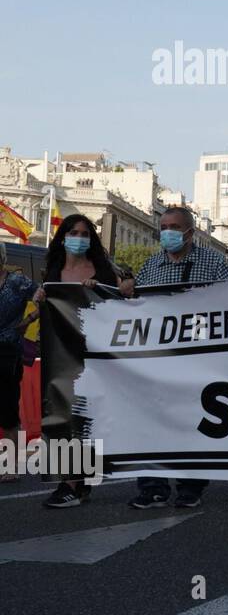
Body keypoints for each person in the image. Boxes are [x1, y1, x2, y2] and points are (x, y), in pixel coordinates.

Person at [121, 207, 228, 509]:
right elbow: (138, 308)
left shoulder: (213, 263)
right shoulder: (151, 266)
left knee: (192, 422)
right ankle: (152, 487)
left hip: (198, 357)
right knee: (150, 420)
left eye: (174, 226)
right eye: (163, 226)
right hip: (157, 357)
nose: (167, 232)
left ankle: (190, 486)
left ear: (190, 232)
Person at [34, 215, 124, 508]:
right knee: (62, 413)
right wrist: (41, 296)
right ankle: (70, 482)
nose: (79, 237)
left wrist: (101, 289)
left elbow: (123, 299)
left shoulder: (102, 269)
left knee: (85, 418)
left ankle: (77, 481)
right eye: (73, 232)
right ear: (62, 236)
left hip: (94, 355)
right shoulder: (54, 270)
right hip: (60, 353)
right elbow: (48, 305)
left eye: (85, 233)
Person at [0, 242, 38, 484]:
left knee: (6, 411)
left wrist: (29, 319)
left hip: (6, 352)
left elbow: (44, 296)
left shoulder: (17, 281)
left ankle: (11, 465)